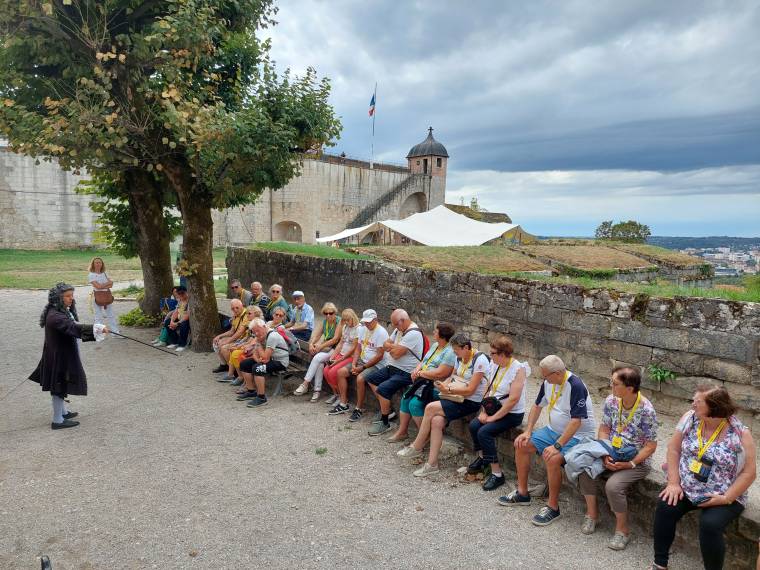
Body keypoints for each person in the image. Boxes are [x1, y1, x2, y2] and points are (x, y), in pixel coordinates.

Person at [651, 385, 756, 570]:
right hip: (688, 486)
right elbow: (673, 449)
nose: (693, 404)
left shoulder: (740, 434)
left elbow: (749, 473)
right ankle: (660, 564)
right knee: (665, 506)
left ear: (714, 407)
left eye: (698, 402)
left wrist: (726, 498)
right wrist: (674, 482)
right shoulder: (689, 419)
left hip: (723, 493)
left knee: (710, 525)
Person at [564, 366, 658, 550]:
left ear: (629, 388)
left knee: (613, 486)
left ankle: (622, 531)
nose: (611, 386)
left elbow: (650, 446)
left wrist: (629, 463)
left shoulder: (647, 410)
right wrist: (604, 452)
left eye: (615, 383)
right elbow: (605, 429)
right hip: (611, 451)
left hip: (636, 459)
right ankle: (592, 515)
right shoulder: (612, 401)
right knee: (583, 466)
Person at [498, 354, 596, 527]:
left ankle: (553, 506)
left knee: (552, 457)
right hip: (554, 430)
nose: (543, 379)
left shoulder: (576, 385)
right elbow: (537, 406)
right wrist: (528, 431)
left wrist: (557, 445)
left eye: (546, 376)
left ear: (557, 374)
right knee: (521, 444)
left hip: (578, 436)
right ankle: (522, 493)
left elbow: (576, 421)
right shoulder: (549, 382)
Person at [397, 332, 489, 478]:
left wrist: (449, 389)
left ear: (466, 347)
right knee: (436, 421)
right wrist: (443, 385)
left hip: (470, 401)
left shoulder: (480, 360)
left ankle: (417, 446)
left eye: (457, 350)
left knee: (430, 407)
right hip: (456, 396)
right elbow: (453, 376)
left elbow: (471, 389)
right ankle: (432, 464)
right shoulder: (460, 357)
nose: (455, 354)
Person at [29, 282, 108, 429]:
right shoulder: (55, 316)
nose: (71, 298)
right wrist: (98, 328)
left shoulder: (60, 311)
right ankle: (57, 420)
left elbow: (72, 325)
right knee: (59, 385)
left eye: (72, 295)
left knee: (62, 382)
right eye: (67, 296)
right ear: (58, 298)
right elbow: (71, 327)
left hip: (62, 353)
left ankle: (63, 412)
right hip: (58, 357)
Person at [465, 336, 528, 490]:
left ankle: (497, 474)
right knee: (474, 425)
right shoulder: (495, 364)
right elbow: (489, 388)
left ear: (502, 354)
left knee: (484, 432)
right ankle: (483, 459)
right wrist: (484, 411)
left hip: (511, 412)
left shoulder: (518, 369)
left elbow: (513, 400)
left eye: (492, 353)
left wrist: (493, 418)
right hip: (494, 407)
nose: (490, 356)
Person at [389, 322, 456, 443]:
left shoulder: (450, 351)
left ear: (442, 335)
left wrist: (421, 374)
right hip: (423, 381)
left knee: (415, 404)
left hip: (435, 385)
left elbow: (441, 373)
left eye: (436, 331)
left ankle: (424, 437)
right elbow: (424, 361)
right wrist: (417, 369)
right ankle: (402, 431)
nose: (433, 332)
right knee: (406, 397)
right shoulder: (435, 345)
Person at [365, 309, 425, 436]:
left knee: (383, 389)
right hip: (392, 367)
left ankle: (385, 421)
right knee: (370, 378)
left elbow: (396, 354)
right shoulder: (399, 329)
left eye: (396, 325)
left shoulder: (413, 333)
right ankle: (386, 410)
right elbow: (385, 343)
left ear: (402, 321)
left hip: (406, 372)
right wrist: (394, 347)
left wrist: (392, 348)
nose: (394, 328)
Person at [332, 309, 388, 418]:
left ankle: (359, 408)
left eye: (369, 322)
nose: (367, 324)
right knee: (341, 372)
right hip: (362, 360)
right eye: (365, 322)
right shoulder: (362, 329)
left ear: (376, 320)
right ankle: (343, 403)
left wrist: (362, 367)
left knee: (360, 378)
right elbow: (358, 348)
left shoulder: (381, 332)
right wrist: (354, 363)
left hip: (377, 364)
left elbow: (380, 355)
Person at [236, 318, 290, 408]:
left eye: (258, 330)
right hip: (271, 359)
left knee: (257, 368)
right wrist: (258, 360)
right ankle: (251, 391)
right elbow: (255, 355)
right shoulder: (261, 336)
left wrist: (259, 345)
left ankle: (261, 398)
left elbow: (265, 358)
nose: (256, 334)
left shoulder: (272, 336)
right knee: (244, 364)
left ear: (264, 326)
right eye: (254, 332)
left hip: (280, 362)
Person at [293, 302, 342, 399]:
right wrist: (311, 344)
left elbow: (335, 339)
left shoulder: (339, 321)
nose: (328, 315)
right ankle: (317, 390)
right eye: (326, 313)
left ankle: (305, 384)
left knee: (317, 357)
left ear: (335, 313)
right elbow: (316, 335)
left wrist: (320, 346)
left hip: (336, 349)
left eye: (331, 313)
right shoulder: (325, 322)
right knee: (319, 363)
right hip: (327, 348)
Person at [322, 308, 361, 411]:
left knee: (333, 372)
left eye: (349, 320)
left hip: (349, 356)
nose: (347, 322)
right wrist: (332, 357)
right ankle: (336, 394)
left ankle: (342, 398)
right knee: (326, 370)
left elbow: (353, 348)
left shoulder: (358, 329)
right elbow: (340, 344)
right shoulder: (345, 327)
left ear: (353, 318)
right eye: (345, 320)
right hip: (341, 354)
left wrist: (338, 360)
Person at [211, 299, 250, 378]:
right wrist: (220, 336)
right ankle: (224, 365)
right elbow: (232, 331)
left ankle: (234, 371)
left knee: (224, 348)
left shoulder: (246, 315)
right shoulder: (236, 315)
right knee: (216, 342)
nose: (235, 310)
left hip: (243, 339)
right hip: (238, 338)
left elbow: (239, 332)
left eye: (237, 308)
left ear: (241, 306)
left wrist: (227, 341)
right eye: (233, 308)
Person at [88, 256, 120, 335]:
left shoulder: (105, 273)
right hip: (97, 297)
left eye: (100, 262)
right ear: (93, 264)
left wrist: (102, 285)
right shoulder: (91, 275)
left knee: (111, 315)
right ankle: (99, 334)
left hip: (107, 296)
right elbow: (98, 287)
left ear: (102, 264)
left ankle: (115, 332)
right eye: (96, 262)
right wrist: (106, 284)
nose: (98, 264)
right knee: (98, 316)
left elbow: (111, 285)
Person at [165, 286, 190, 352]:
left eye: (182, 293)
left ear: (186, 292)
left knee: (183, 324)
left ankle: (182, 344)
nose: (181, 295)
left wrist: (177, 323)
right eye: (179, 294)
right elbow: (176, 311)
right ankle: (174, 341)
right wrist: (172, 321)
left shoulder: (189, 301)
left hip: (186, 320)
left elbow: (187, 315)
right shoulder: (180, 301)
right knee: (167, 322)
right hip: (180, 318)